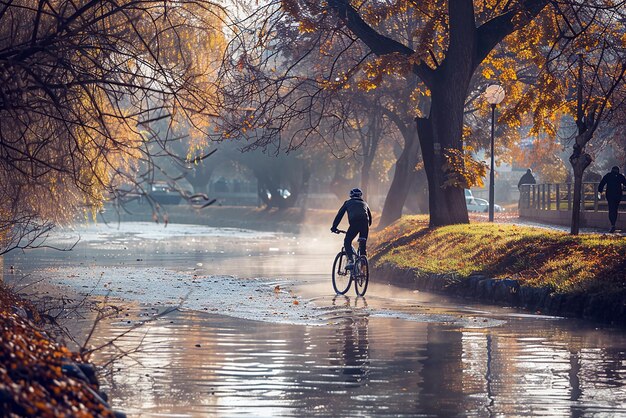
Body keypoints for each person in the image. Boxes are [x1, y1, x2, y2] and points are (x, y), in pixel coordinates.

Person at [331, 188, 372, 270]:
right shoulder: (365, 203)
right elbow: (370, 219)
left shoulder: (347, 203)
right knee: (362, 244)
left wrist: (334, 227)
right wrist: (366, 227)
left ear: (351, 196)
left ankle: (351, 260)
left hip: (354, 224)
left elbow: (339, 215)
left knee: (347, 242)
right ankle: (363, 266)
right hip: (365, 225)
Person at [598, 166, 626, 233]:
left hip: (610, 195)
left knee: (611, 209)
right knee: (615, 209)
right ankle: (613, 224)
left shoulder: (608, 175)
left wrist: (600, 191)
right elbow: (625, 183)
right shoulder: (620, 176)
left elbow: (602, 183)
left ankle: (612, 224)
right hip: (617, 195)